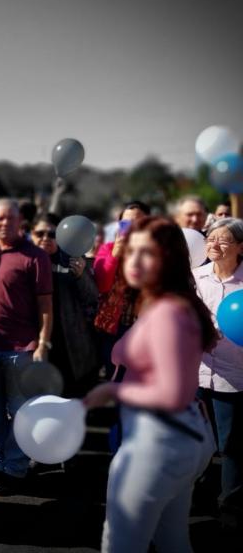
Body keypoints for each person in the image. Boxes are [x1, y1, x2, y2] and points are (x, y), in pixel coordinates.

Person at [84, 217, 218, 553]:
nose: (134, 261)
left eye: (147, 253)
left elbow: (171, 392)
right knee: (172, 540)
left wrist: (111, 391)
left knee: (121, 545)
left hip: (158, 441)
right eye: (132, 252)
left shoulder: (168, 311)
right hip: (183, 435)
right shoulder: (178, 303)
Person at [0, 198, 53, 496]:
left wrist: (43, 343)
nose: (5, 224)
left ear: (21, 222)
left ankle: (14, 468)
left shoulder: (35, 256)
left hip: (22, 347)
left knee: (19, 411)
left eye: (10, 219)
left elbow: (45, 304)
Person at [193, 217, 243, 527]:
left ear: (240, 247)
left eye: (223, 240)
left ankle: (231, 506)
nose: (214, 245)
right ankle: (197, 494)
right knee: (197, 439)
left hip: (234, 374)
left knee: (232, 445)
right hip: (197, 370)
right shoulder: (195, 277)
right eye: (211, 239)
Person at [30, 213, 100, 396]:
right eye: (40, 233)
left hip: (70, 343)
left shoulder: (74, 259)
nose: (45, 238)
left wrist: (81, 276)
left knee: (70, 397)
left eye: (52, 234)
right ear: (31, 234)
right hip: (33, 340)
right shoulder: (24, 259)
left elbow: (92, 297)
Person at [93, 201, 150, 378]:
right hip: (115, 328)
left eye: (138, 222)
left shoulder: (157, 251)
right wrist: (116, 254)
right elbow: (102, 285)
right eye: (126, 223)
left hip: (146, 325)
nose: (132, 227)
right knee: (115, 377)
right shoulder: (107, 249)